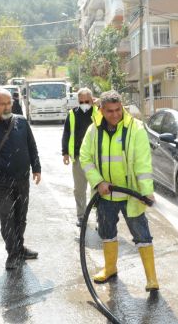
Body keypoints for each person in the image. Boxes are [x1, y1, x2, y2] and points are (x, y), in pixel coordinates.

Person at [79, 90, 159, 292]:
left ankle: (151, 278)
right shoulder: (93, 131)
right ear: (101, 110)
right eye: (109, 111)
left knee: (142, 234)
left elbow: (143, 164)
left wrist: (147, 191)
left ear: (122, 107)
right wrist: (98, 182)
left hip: (132, 194)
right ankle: (110, 268)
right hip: (106, 195)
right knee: (107, 232)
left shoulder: (136, 129)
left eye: (117, 110)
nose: (115, 115)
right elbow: (85, 158)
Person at [0, 89, 41, 270]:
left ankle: (20, 247)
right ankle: (12, 253)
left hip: (22, 179)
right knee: (7, 218)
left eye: (8, 103)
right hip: (0, 182)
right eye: (1, 103)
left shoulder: (21, 122)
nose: (5, 107)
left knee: (21, 217)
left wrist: (37, 168)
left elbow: (31, 145)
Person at [61, 87, 101, 227]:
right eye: (81, 101)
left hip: (96, 157)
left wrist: (99, 105)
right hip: (78, 157)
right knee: (79, 189)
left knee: (97, 188)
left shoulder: (98, 112)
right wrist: (65, 152)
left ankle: (99, 216)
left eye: (87, 101)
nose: (84, 103)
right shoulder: (72, 114)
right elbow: (66, 133)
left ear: (92, 99)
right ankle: (81, 216)